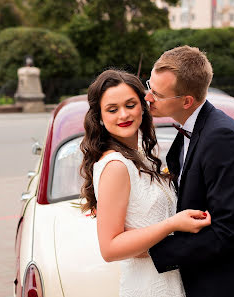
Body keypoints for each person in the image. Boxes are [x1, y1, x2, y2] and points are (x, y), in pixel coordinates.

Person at [145, 46, 234, 297]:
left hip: (225, 285)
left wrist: (151, 251)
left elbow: (227, 232)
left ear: (186, 101)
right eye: (150, 85)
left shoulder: (223, 138)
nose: (148, 97)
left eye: (157, 94)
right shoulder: (189, 130)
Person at [80, 69, 211, 297]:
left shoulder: (141, 156)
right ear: (100, 117)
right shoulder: (116, 166)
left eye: (130, 105)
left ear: (143, 106)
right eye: (112, 109)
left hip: (171, 282)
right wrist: (172, 224)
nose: (123, 115)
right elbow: (110, 248)